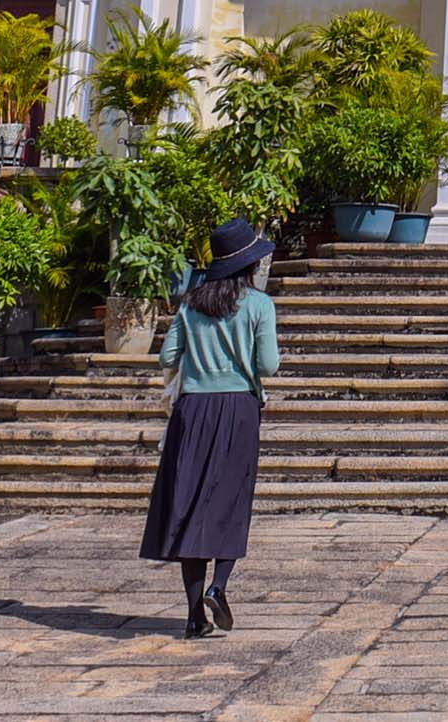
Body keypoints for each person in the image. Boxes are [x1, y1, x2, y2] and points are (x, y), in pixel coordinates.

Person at [138, 217, 279, 639]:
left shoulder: (189, 304)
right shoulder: (258, 305)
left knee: (189, 503)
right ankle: (219, 586)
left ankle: (193, 613)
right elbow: (268, 365)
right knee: (230, 500)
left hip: (192, 411)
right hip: (238, 408)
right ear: (249, 266)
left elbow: (167, 358)